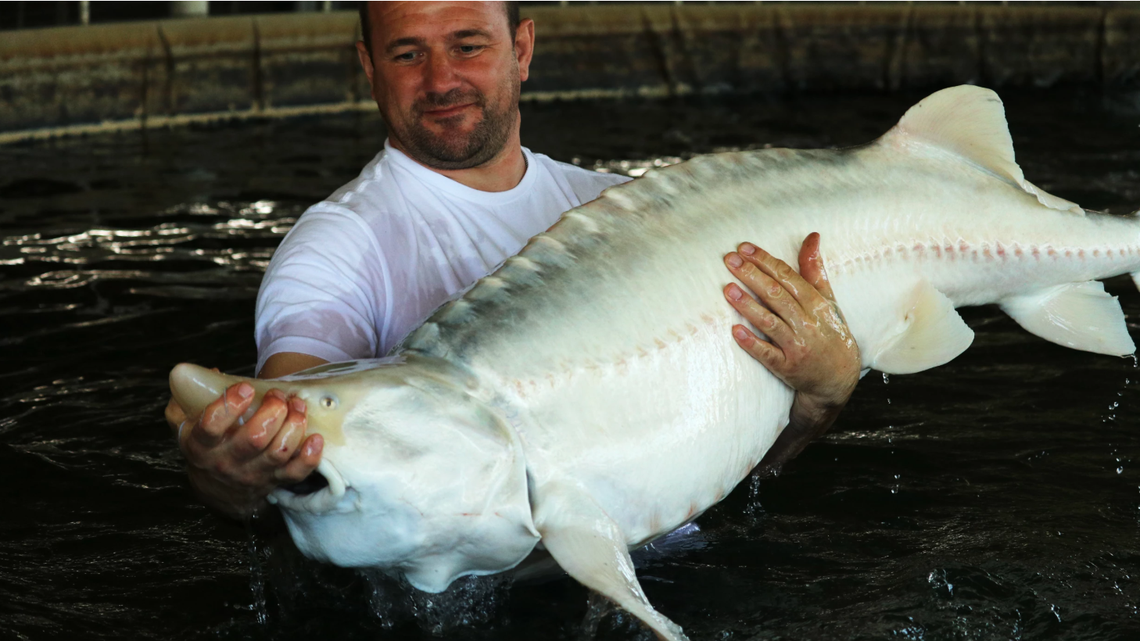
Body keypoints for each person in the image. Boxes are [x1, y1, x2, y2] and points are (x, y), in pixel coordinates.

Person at [166, 1, 861, 520]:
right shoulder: (338, 244)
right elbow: (297, 413)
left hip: (677, 569)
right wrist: (236, 466)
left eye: (468, 45)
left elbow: (736, 464)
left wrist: (820, 395)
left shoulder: (627, 210)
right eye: (408, 54)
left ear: (522, 49)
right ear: (368, 67)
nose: (441, 80)